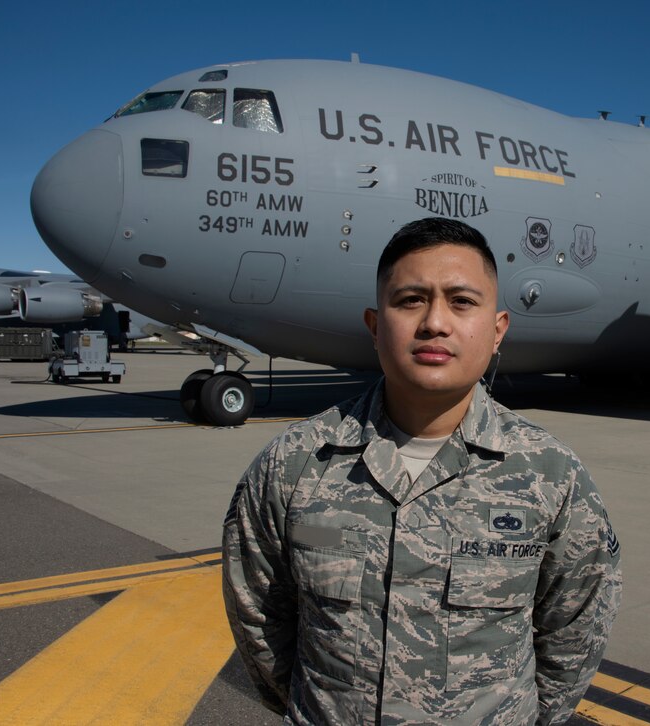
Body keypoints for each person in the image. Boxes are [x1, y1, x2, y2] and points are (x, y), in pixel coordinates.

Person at [222, 217, 622, 725]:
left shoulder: (551, 475)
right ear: (374, 326)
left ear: (497, 330)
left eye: (462, 301)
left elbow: (575, 632)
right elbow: (259, 620)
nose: (435, 321)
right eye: (411, 300)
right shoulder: (295, 464)